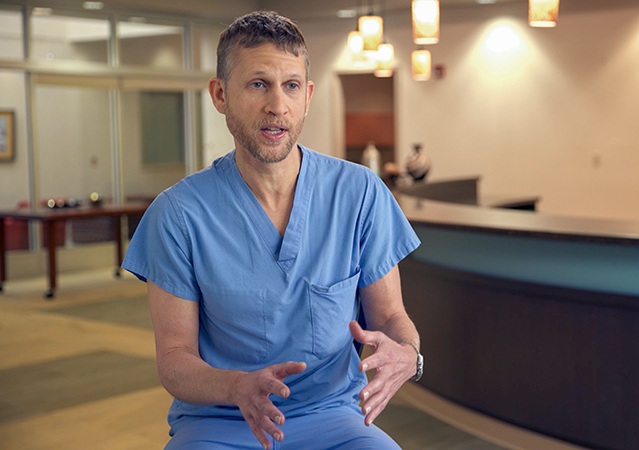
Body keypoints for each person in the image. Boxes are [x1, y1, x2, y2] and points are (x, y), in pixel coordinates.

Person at [122, 11, 423, 450]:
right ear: (220, 94)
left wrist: (408, 354)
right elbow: (173, 361)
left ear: (308, 95)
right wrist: (234, 387)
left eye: (291, 86)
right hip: (221, 422)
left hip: (333, 417)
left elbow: (391, 317)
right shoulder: (179, 214)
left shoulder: (359, 194)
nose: (277, 106)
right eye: (258, 84)